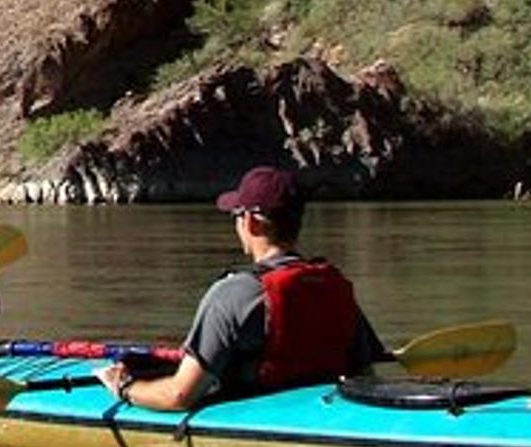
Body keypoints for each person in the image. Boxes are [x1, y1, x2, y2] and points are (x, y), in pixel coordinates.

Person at [96, 165, 385, 411]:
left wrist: (125, 386)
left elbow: (179, 396)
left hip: (261, 413)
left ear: (250, 221)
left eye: (236, 215)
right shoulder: (335, 285)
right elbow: (366, 375)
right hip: (325, 411)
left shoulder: (232, 294)